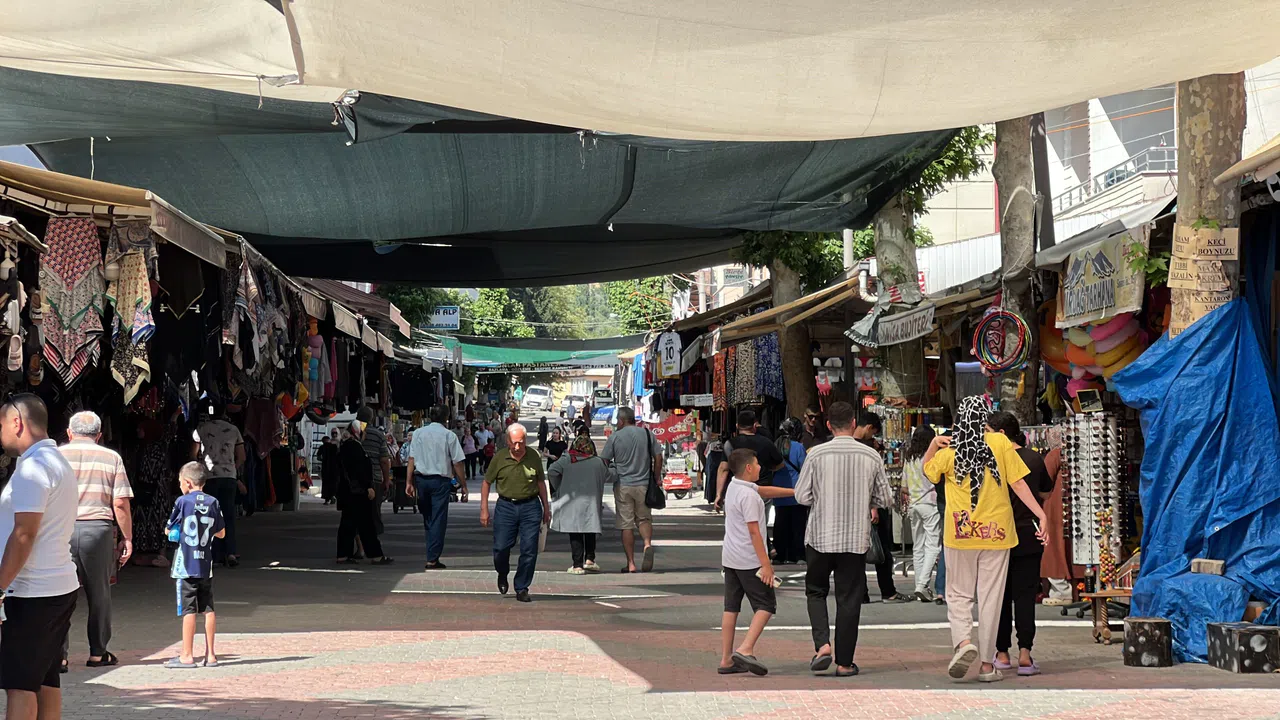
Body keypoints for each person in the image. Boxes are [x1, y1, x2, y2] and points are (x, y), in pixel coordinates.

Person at [923, 395, 1047, 683]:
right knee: (991, 598)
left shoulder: (951, 450)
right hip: (998, 534)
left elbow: (928, 473)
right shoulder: (1002, 444)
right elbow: (1017, 484)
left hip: (960, 533)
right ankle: (987, 666)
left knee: (959, 594)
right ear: (985, 420)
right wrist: (1040, 514)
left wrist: (933, 444)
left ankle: (964, 643)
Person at [795, 401, 891, 677]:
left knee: (816, 591)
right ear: (853, 423)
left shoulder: (816, 455)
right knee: (849, 599)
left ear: (828, 425)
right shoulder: (871, 456)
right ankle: (845, 662)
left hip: (820, 537)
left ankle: (822, 644)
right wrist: (866, 499)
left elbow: (802, 496)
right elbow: (884, 498)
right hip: (854, 539)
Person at [0, 394, 78, 719]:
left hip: (34, 592)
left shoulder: (33, 468)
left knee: (20, 685)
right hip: (55, 587)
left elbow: (24, 533)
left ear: (17, 422)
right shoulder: (56, 461)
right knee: (45, 679)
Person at [58, 411, 133, 670]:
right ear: (99, 436)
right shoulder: (111, 458)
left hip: (60, 531)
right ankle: (97, 653)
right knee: (99, 593)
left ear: (69, 432)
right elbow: (120, 503)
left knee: (59, 593)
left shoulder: (56, 455)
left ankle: (59, 656)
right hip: (97, 530)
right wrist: (127, 538)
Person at [987, 412, 1055, 677]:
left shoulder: (991, 459)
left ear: (1001, 434)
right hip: (1029, 532)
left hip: (996, 534)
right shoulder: (1034, 459)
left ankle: (1002, 653)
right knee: (1025, 596)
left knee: (1000, 596)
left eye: (988, 431)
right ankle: (1025, 653)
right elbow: (1045, 493)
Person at [717, 448, 790, 677]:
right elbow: (754, 533)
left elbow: (764, 490)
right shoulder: (748, 496)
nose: (761, 467)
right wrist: (765, 564)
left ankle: (726, 659)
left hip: (730, 557)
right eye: (757, 464)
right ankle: (745, 648)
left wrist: (796, 492)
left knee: (731, 607)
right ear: (748, 467)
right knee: (766, 605)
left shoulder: (736, 487)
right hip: (749, 560)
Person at [162, 463, 226, 668]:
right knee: (208, 607)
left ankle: (187, 655)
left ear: (188, 483)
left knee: (188, 609)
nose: (180, 486)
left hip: (186, 565)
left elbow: (168, 530)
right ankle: (211, 655)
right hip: (205, 564)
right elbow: (222, 533)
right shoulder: (213, 502)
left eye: (180, 482)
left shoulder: (182, 501)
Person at [480, 424, 550, 602]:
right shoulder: (500, 457)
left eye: (521, 443)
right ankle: (502, 572)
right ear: (507, 441)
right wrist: (484, 509)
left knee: (529, 549)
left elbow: (541, 483)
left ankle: (522, 587)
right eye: (514, 443)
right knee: (501, 547)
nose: (518, 447)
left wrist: (546, 509)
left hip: (530, 506)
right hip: (506, 507)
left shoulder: (533, 456)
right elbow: (487, 483)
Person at [853, 411, 911, 604]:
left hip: (856, 506)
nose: (874, 437)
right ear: (869, 428)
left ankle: (861, 593)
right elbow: (870, 480)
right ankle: (888, 591)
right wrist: (874, 506)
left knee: (858, 552)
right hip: (872, 505)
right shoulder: (867, 450)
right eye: (874, 433)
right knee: (882, 551)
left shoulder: (853, 447)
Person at [600, 406, 663, 573]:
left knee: (626, 524)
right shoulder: (647, 434)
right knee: (644, 519)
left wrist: (611, 472)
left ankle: (631, 563)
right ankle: (647, 544)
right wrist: (656, 477)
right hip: (643, 485)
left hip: (623, 485)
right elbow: (658, 456)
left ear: (621, 421)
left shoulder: (615, 437)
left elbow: (604, 460)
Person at [405, 406, 467, 570]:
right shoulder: (449, 435)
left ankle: (431, 552)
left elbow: (411, 458)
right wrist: (464, 486)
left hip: (421, 480)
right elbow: (458, 462)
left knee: (428, 518)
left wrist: (408, 482)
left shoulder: (418, 433)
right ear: (446, 418)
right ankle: (432, 558)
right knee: (438, 519)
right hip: (440, 481)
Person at [191, 405, 245, 567]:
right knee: (228, 515)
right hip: (228, 478)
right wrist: (232, 468)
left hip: (209, 478)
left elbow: (193, 455)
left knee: (209, 516)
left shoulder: (200, 429)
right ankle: (230, 553)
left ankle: (212, 554)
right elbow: (242, 456)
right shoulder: (234, 429)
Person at [548, 433, 610, 574]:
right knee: (590, 529)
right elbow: (610, 475)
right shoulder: (597, 462)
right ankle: (590, 559)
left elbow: (552, 471)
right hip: (591, 502)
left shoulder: (567, 459)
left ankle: (577, 565)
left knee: (575, 532)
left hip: (572, 501)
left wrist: (559, 487)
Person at [335, 420, 394, 566]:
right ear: (357, 431)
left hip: (349, 492)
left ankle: (343, 555)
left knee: (348, 523)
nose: (365, 434)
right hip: (357, 492)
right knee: (366, 524)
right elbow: (358, 470)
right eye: (363, 431)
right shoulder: (353, 447)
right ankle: (376, 555)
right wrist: (367, 487)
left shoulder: (346, 446)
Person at [713, 410, 785, 511]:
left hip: (737, 491)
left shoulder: (730, 444)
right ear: (755, 426)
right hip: (761, 491)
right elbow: (780, 464)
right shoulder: (766, 443)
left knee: (736, 525)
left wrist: (718, 494)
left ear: (737, 426)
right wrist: (769, 468)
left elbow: (723, 469)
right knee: (759, 524)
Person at [904, 425, 942, 602]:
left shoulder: (909, 457)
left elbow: (904, 486)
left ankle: (920, 586)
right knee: (933, 545)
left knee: (918, 547)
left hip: (914, 503)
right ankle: (922, 585)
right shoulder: (932, 456)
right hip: (930, 503)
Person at [1038, 428, 1074, 605]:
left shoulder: (1055, 454)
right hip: (1072, 506)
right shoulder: (1075, 454)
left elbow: (1043, 481)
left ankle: (1061, 590)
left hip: (1053, 507)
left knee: (1053, 548)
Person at [770, 418, 808, 565]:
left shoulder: (775, 446)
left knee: (780, 525)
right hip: (795, 492)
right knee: (798, 525)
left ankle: (779, 555)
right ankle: (798, 555)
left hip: (778, 491)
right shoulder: (798, 447)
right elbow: (805, 469)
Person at [356, 407, 392, 535]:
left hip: (354, 479)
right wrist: (387, 480)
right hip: (374, 478)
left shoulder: (351, 432)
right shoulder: (378, 435)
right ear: (372, 419)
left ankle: (359, 541)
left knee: (356, 512)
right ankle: (373, 539)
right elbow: (384, 460)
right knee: (374, 511)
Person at [318, 433, 340, 506]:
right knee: (333, 483)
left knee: (326, 484)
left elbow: (319, 457)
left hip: (325, 468)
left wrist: (323, 460)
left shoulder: (322, 447)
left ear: (323, 441)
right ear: (329, 440)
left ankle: (326, 500)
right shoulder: (334, 447)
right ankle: (333, 496)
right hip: (334, 468)